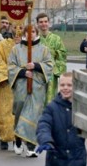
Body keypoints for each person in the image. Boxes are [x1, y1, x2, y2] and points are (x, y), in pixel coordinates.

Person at [35, 72, 87, 166]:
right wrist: (46, 140)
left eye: (69, 85)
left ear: (75, 87)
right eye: (63, 85)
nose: (66, 88)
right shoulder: (52, 108)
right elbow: (44, 125)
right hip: (56, 161)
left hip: (75, 162)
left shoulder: (81, 109)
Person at [8, 25, 54, 156]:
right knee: (20, 109)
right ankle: (18, 139)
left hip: (37, 87)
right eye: (27, 32)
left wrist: (36, 66)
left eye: (33, 32)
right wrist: (22, 72)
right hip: (21, 86)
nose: (30, 34)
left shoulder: (44, 50)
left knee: (34, 114)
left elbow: (49, 65)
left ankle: (31, 146)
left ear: (36, 33)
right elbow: (11, 67)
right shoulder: (16, 50)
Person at [0, 27, 18, 151]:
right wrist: (11, 75)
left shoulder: (29, 47)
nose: (18, 30)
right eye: (15, 27)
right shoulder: (2, 45)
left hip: (22, 84)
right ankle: (4, 137)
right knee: (4, 111)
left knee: (20, 112)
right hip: (6, 84)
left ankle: (18, 139)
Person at [36, 13, 67, 104]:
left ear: (49, 23)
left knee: (50, 98)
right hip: (37, 74)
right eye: (41, 22)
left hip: (51, 74)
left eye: (45, 21)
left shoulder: (56, 39)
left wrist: (55, 54)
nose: (43, 24)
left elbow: (63, 55)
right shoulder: (35, 38)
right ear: (37, 24)